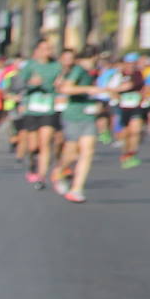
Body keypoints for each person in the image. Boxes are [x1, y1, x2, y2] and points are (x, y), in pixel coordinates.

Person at [12, 40, 61, 190]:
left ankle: (41, 177)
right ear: (37, 50)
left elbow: (61, 83)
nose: (47, 51)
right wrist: (31, 83)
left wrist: (59, 86)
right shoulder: (30, 66)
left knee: (45, 143)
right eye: (43, 48)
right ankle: (32, 164)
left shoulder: (57, 66)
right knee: (33, 145)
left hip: (48, 109)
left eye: (49, 48)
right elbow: (17, 85)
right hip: (32, 109)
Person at [51, 48, 96, 203]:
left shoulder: (85, 72)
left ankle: (77, 189)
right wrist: (92, 89)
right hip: (72, 115)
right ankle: (60, 171)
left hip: (88, 115)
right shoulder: (78, 70)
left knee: (87, 151)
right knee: (71, 153)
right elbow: (67, 89)